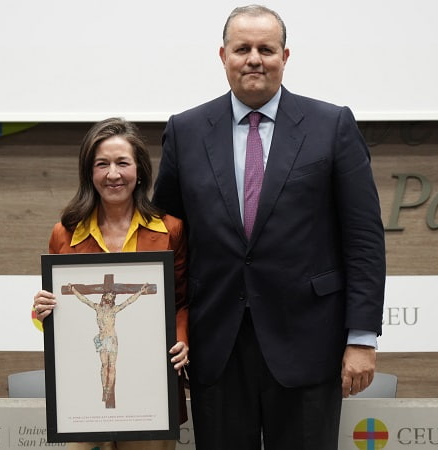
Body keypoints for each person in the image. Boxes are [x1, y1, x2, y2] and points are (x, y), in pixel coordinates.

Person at [152, 5, 386, 449]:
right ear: (223, 56)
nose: (254, 58)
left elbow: (364, 241)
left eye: (266, 49)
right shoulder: (185, 130)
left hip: (309, 342)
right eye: (243, 48)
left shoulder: (332, 125)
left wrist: (361, 338)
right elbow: (166, 236)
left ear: (285, 56)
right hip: (215, 344)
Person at [33, 118, 190, 450]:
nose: (113, 174)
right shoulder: (65, 232)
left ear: (140, 170)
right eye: (101, 164)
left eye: (123, 163)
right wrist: (42, 309)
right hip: (82, 393)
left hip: (152, 385)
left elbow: (183, 302)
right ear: (89, 173)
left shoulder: (170, 229)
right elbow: (60, 312)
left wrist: (183, 339)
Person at [66, 282, 150, 408]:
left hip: (112, 340)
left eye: (110, 298)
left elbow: (128, 301)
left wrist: (140, 291)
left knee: (112, 366)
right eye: (106, 297)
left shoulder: (114, 309)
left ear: (112, 301)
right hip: (101, 339)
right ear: (103, 298)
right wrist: (73, 290)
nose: (108, 300)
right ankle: (104, 389)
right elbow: (84, 299)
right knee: (104, 365)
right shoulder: (97, 308)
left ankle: (109, 391)